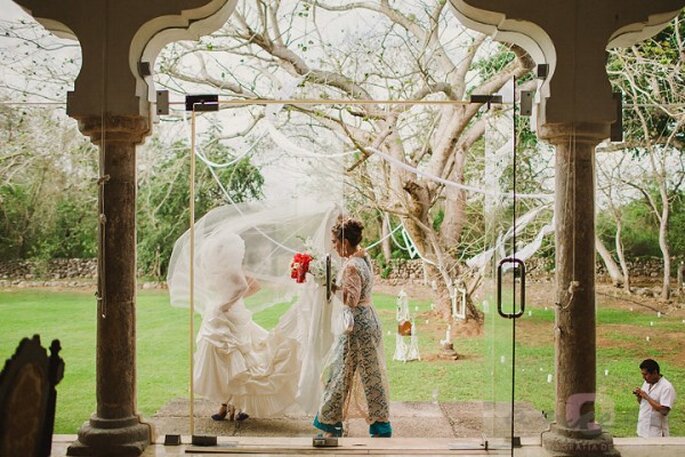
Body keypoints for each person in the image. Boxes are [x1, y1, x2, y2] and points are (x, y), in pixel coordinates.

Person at [313, 217, 392, 438]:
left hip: (356, 327)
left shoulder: (352, 266)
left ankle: (330, 424)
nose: (334, 247)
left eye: (336, 242)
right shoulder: (363, 258)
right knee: (371, 375)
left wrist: (328, 285)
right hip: (368, 321)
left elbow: (351, 300)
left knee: (340, 373)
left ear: (346, 242)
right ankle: (381, 427)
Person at [634, 358, 676, 437]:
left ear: (654, 373)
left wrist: (647, 397)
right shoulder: (646, 383)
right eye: (642, 374)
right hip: (642, 430)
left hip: (656, 433)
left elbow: (664, 411)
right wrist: (639, 397)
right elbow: (643, 404)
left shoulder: (666, 387)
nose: (643, 377)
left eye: (645, 374)